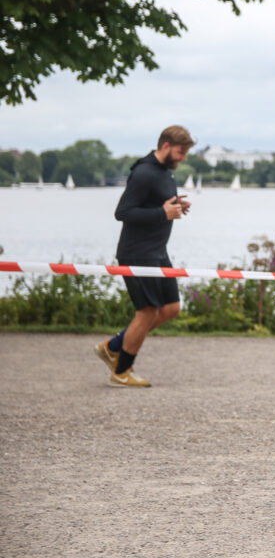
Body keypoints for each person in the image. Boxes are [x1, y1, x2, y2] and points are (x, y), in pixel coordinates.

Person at [94, 125, 195, 387]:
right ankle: (121, 371)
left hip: (158, 252)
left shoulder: (165, 172)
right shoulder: (144, 173)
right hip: (137, 253)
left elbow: (156, 204)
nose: (183, 157)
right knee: (147, 312)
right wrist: (162, 214)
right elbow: (123, 212)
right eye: (180, 152)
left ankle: (114, 346)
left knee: (171, 308)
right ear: (165, 146)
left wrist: (175, 206)